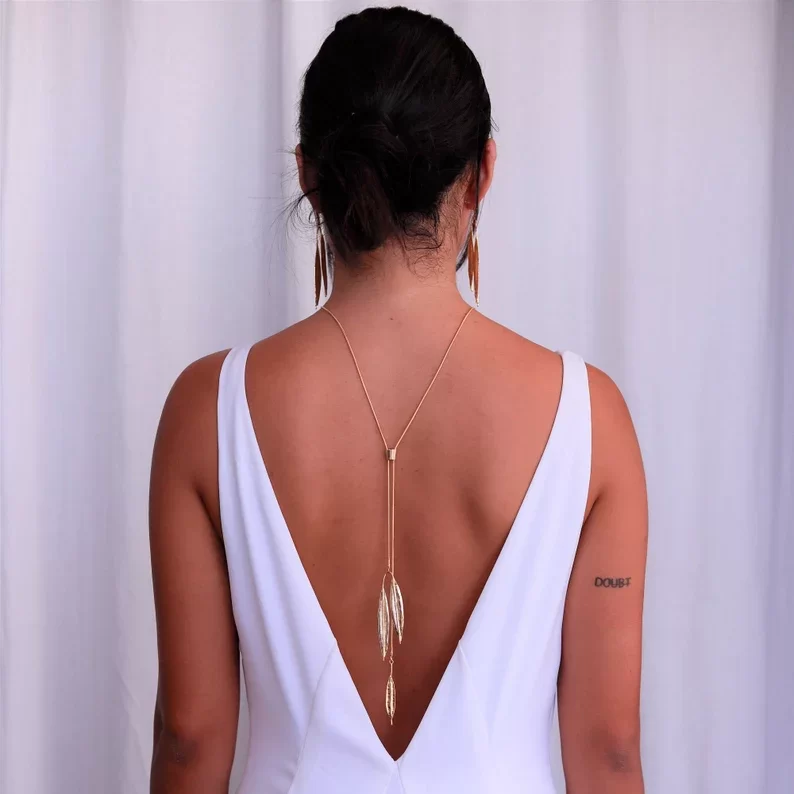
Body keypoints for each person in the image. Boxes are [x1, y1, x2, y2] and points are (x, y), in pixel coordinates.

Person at [148, 7, 648, 793]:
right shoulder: (592, 418)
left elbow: (189, 739)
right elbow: (610, 749)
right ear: (482, 172)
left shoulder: (204, 409)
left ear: (309, 173)